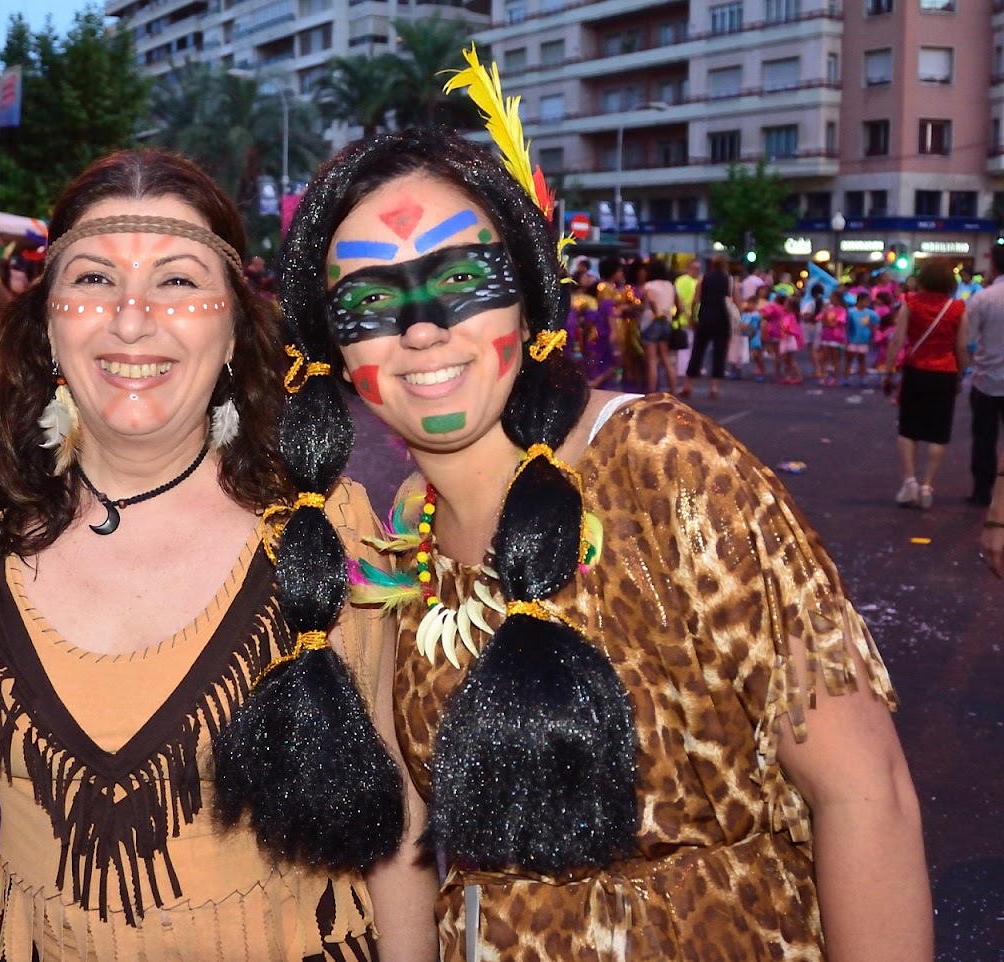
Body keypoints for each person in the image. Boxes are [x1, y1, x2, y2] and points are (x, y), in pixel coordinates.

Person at [285, 116, 930, 961]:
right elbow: (406, 840)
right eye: (370, 300)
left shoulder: (663, 466)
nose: (421, 329)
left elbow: (866, 794)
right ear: (333, 345)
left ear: (529, 289)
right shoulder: (401, 546)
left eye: (463, 277)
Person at [0, 148, 415, 961]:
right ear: (47, 319)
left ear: (236, 323)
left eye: (177, 281)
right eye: (95, 280)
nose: (132, 319)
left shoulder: (328, 527)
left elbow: (393, 812)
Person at [885, 262, 969, 510]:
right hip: (945, 372)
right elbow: (962, 347)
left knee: (909, 428)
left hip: (916, 370)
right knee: (938, 431)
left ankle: (909, 480)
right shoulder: (957, 308)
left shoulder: (910, 302)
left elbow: (898, 339)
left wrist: (889, 371)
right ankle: (927, 485)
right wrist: (960, 374)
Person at [964, 244, 1004, 506]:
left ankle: (982, 490)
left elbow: (967, 339)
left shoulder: (983, 298)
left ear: (994, 267)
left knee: (984, 438)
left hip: (987, 379)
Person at [685, 252, 737, 398]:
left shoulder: (704, 278)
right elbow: (736, 300)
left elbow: (696, 299)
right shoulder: (730, 280)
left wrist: (692, 316)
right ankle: (714, 387)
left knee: (698, 351)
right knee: (719, 353)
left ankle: (688, 385)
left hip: (706, 317)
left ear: (712, 265)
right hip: (723, 318)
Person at [637, 259, 682, 395]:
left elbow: (650, 299)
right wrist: (673, 317)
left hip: (651, 322)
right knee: (666, 358)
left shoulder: (649, 286)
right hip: (666, 322)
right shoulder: (670, 285)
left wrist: (655, 312)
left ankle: (651, 392)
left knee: (651, 360)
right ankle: (673, 390)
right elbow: (679, 305)